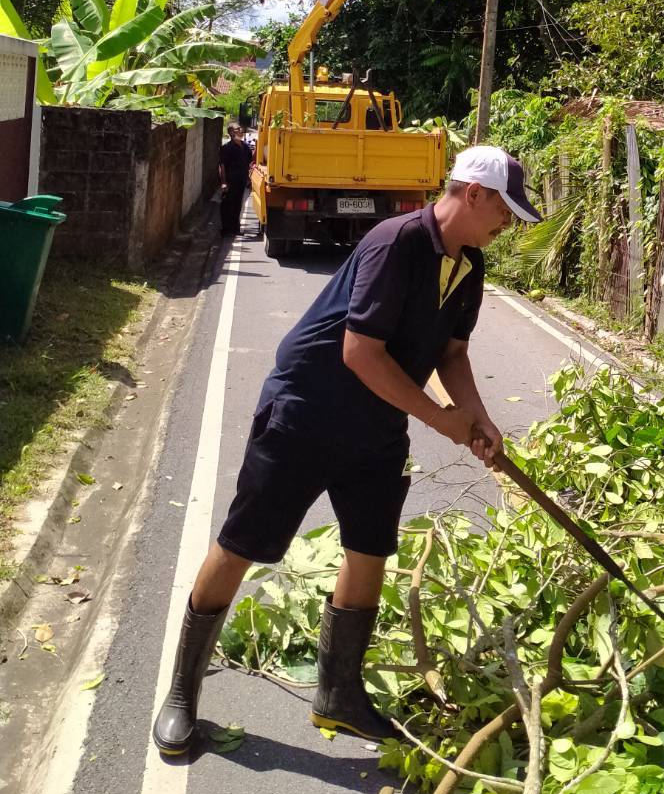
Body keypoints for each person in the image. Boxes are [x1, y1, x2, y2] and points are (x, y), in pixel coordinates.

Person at [152, 144, 542, 756]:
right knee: (242, 545)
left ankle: (337, 694)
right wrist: (442, 419)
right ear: (474, 194)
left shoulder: (469, 263)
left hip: (379, 422)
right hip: (307, 411)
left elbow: (452, 354)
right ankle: (180, 694)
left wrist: (480, 421)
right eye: (505, 210)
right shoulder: (397, 243)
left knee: (369, 549)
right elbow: (360, 352)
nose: (508, 223)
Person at [218, 124, 253, 237]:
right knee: (228, 204)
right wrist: (223, 182)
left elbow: (249, 161)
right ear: (232, 133)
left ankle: (235, 228)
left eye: (240, 129)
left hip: (241, 180)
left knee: (238, 204)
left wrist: (248, 179)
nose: (241, 130)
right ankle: (226, 229)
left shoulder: (245, 147)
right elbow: (222, 166)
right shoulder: (227, 148)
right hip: (230, 180)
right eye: (238, 129)